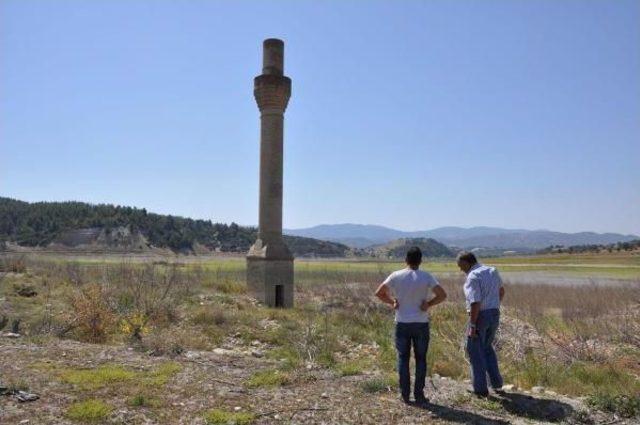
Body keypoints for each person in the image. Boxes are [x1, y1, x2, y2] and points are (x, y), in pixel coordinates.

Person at [375, 247, 447, 405]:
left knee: (403, 358)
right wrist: (428, 304)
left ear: (406, 260)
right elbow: (442, 295)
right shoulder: (426, 276)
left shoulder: (396, 275)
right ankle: (419, 394)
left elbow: (379, 293)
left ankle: (405, 395)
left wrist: (392, 301)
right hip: (421, 323)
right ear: (420, 261)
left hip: (402, 323)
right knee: (421, 359)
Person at [456, 251, 505, 397]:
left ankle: (480, 389)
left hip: (480, 316)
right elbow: (501, 291)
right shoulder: (492, 270)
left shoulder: (473, 276)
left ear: (466, 262)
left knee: (474, 351)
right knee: (487, 348)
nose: (460, 269)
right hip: (494, 313)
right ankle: (497, 384)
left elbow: (475, 302)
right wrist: (494, 305)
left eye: (460, 266)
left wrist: (472, 325)